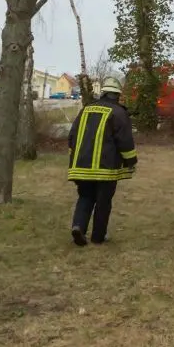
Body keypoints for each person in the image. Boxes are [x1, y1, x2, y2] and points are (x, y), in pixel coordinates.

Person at [66, 75, 137, 246]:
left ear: (103, 93)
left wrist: (74, 157)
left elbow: (72, 137)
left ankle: (78, 227)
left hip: (81, 166)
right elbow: (125, 141)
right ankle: (98, 237)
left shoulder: (86, 109)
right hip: (106, 169)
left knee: (85, 197)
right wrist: (131, 161)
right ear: (118, 95)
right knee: (103, 202)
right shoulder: (119, 113)